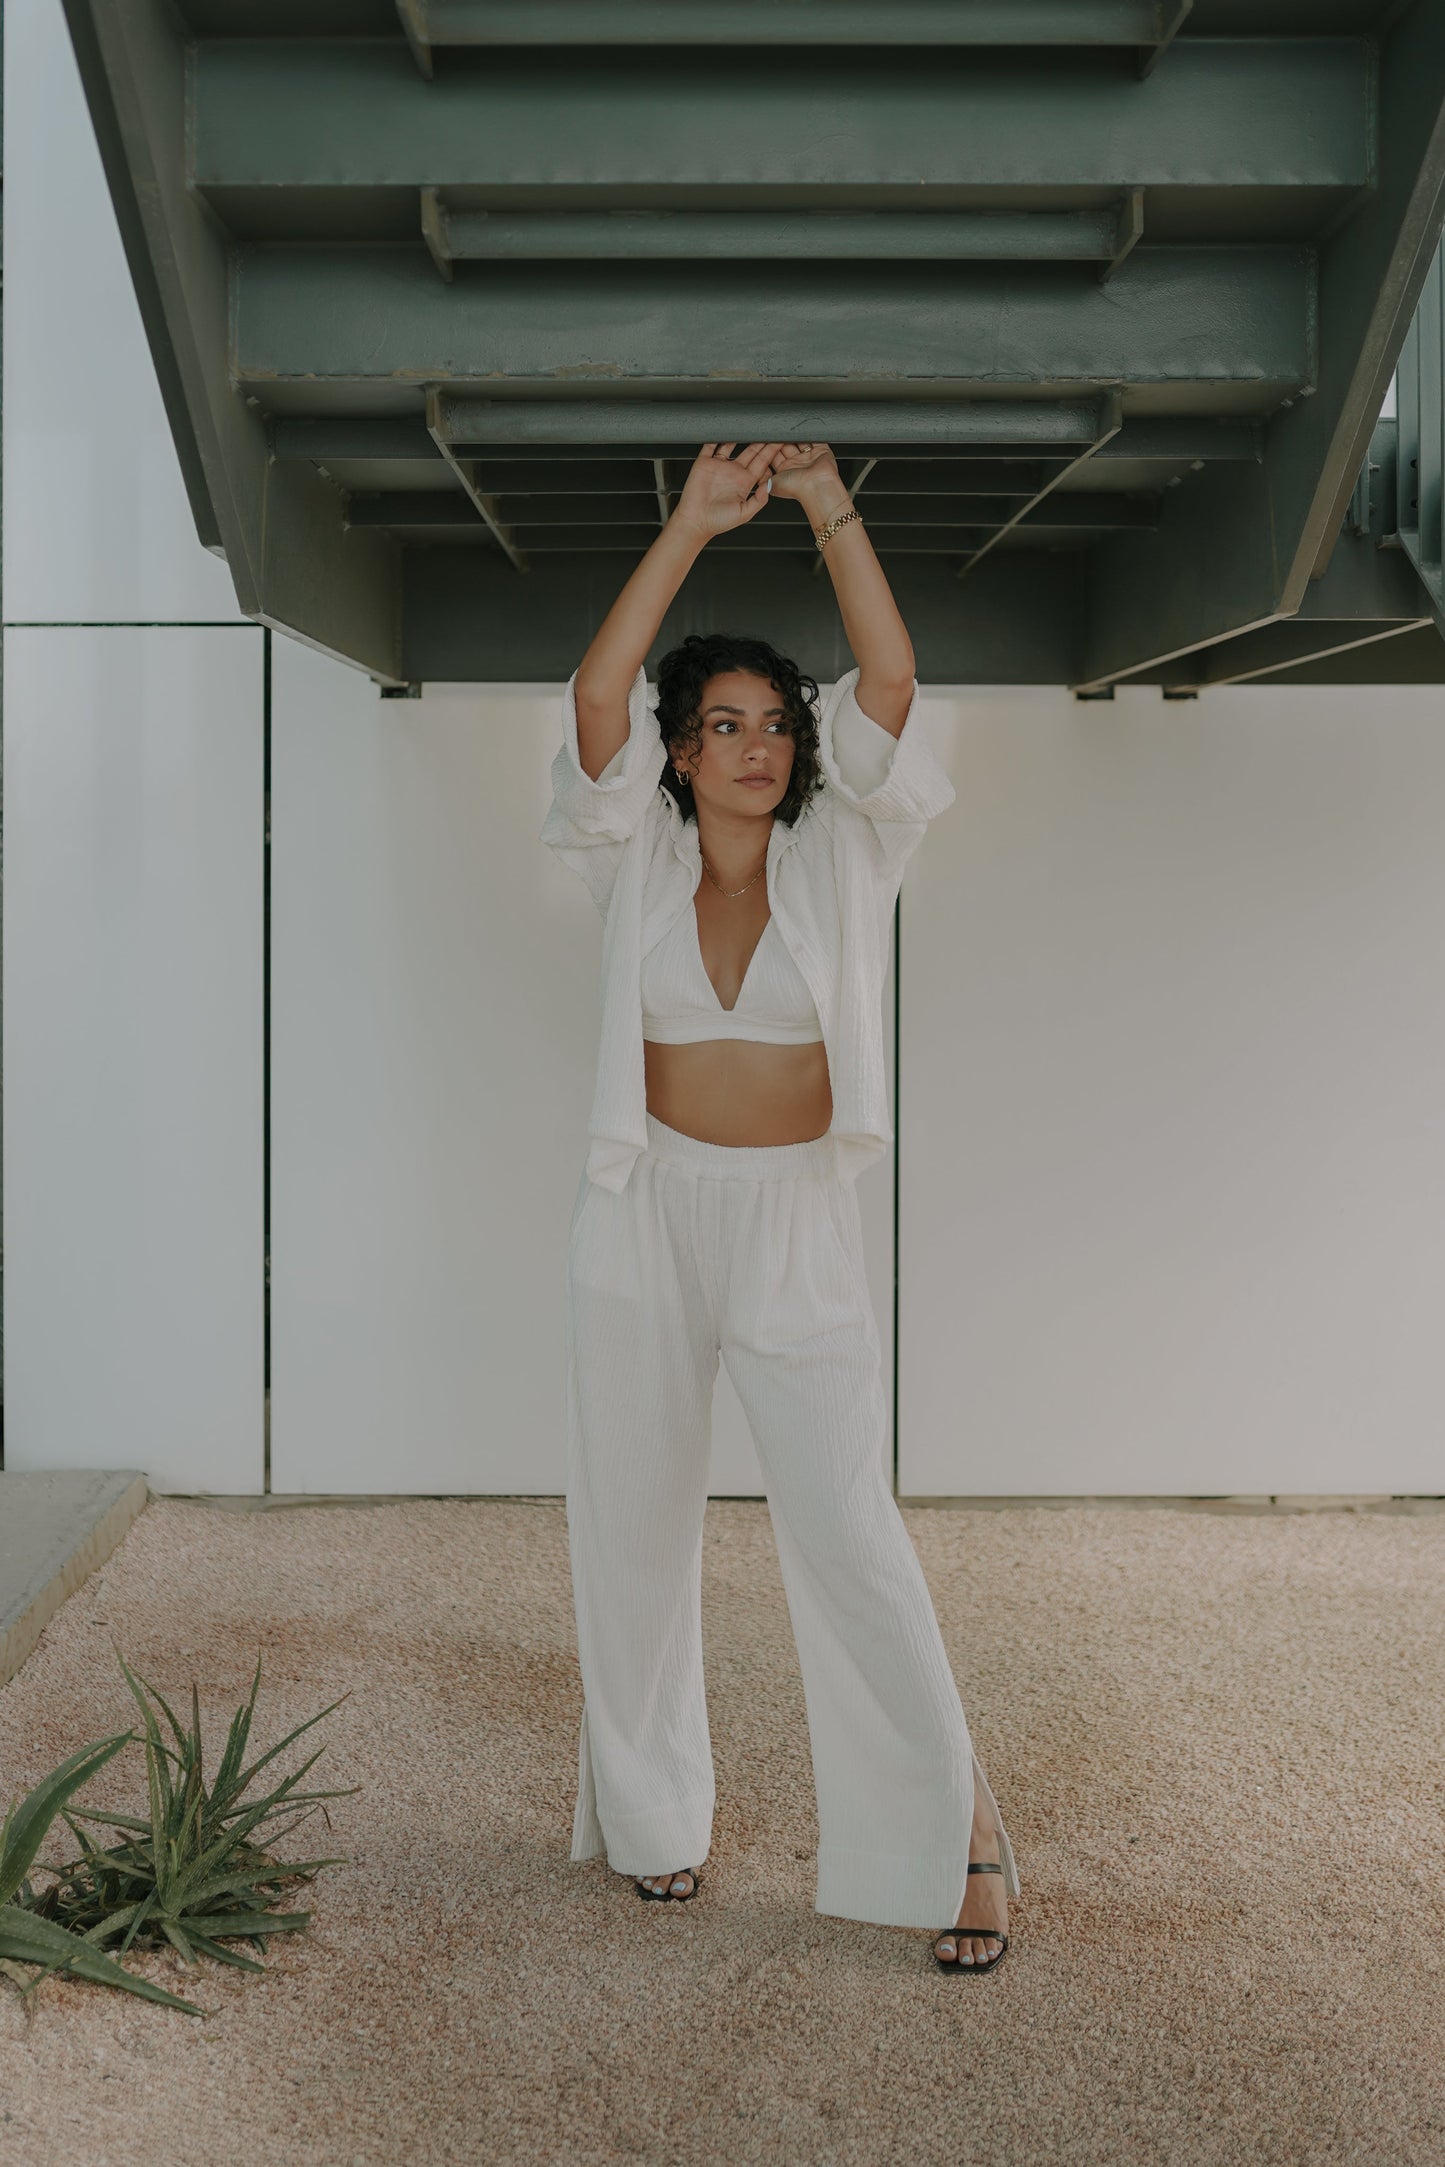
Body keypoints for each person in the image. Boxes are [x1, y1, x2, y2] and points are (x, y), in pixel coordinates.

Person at [539, 440, 1020, 1974]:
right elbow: (593, 701)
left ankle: (955, 1830)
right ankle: (653, 1819)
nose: (751, 746)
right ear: (679, 753)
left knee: (843, 1525)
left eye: (770, 725)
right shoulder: (634, 853)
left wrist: (826, 505)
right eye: (720, 726)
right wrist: (686, 524)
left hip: (793, 1221)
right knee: (630, 1524)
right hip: (645, 1215)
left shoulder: (844, 852)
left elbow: (888, 676)